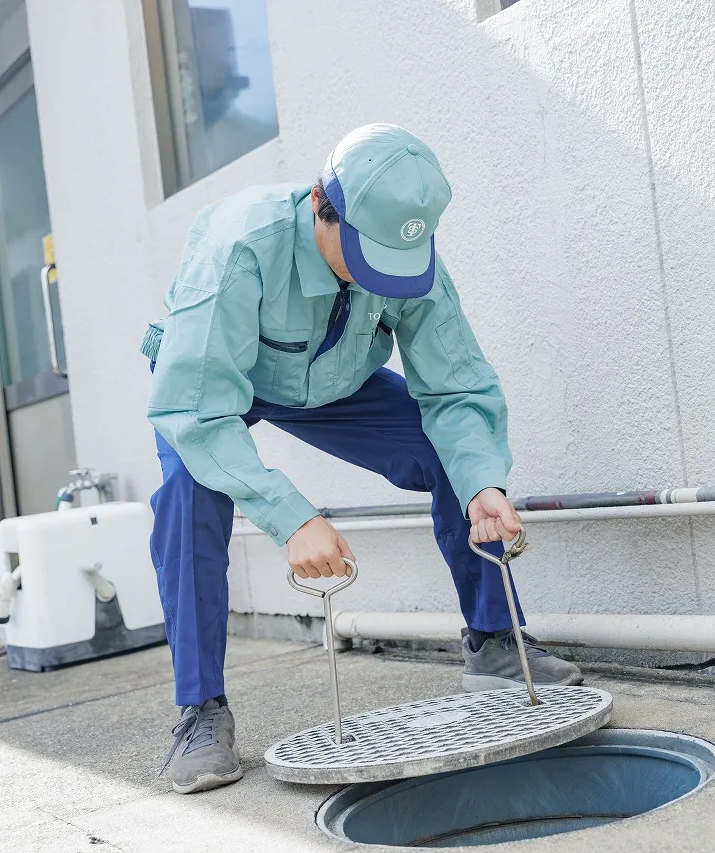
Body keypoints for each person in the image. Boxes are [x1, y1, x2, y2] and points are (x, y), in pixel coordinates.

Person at [141, 123, 582, 794]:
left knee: (449, 452)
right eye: (363, 252)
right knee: (188, 500)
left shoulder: (410, 255)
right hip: (213, 380)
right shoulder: (238, 247)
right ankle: (199, 711)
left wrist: (482, 482)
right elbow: (196, 413)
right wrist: (293, 518)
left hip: (333, 380)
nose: (382, 273)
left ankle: (493, 641)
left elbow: (456, 385)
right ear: (324, 203)